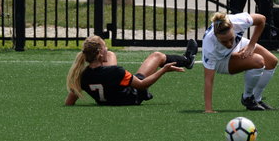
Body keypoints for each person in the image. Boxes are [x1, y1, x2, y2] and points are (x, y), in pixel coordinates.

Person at [65, 36, 198, 106]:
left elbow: (69, 102)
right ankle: (187, 59)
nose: (107, 49)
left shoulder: (81, 76)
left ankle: (187, 59)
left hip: (109, 96)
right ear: (99, 53)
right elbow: (142, 85)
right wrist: (163, 70)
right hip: (132, 96)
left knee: (110, 58)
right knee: (156, 56)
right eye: (105, 47)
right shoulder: (116, 72)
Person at [202, 12, 278, 113]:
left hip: (238, 44)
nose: (229, 44)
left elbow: (262, 19)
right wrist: (208, 109)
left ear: (232, 27)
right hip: (221, 61)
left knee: (271, 61)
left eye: (231, 39)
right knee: (258, 61)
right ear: (216, 37)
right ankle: (247, 98)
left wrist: (251, 45)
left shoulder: (238, 21)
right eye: (224, 42)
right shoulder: (210, 45)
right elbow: (208, 79)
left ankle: (256, 99)